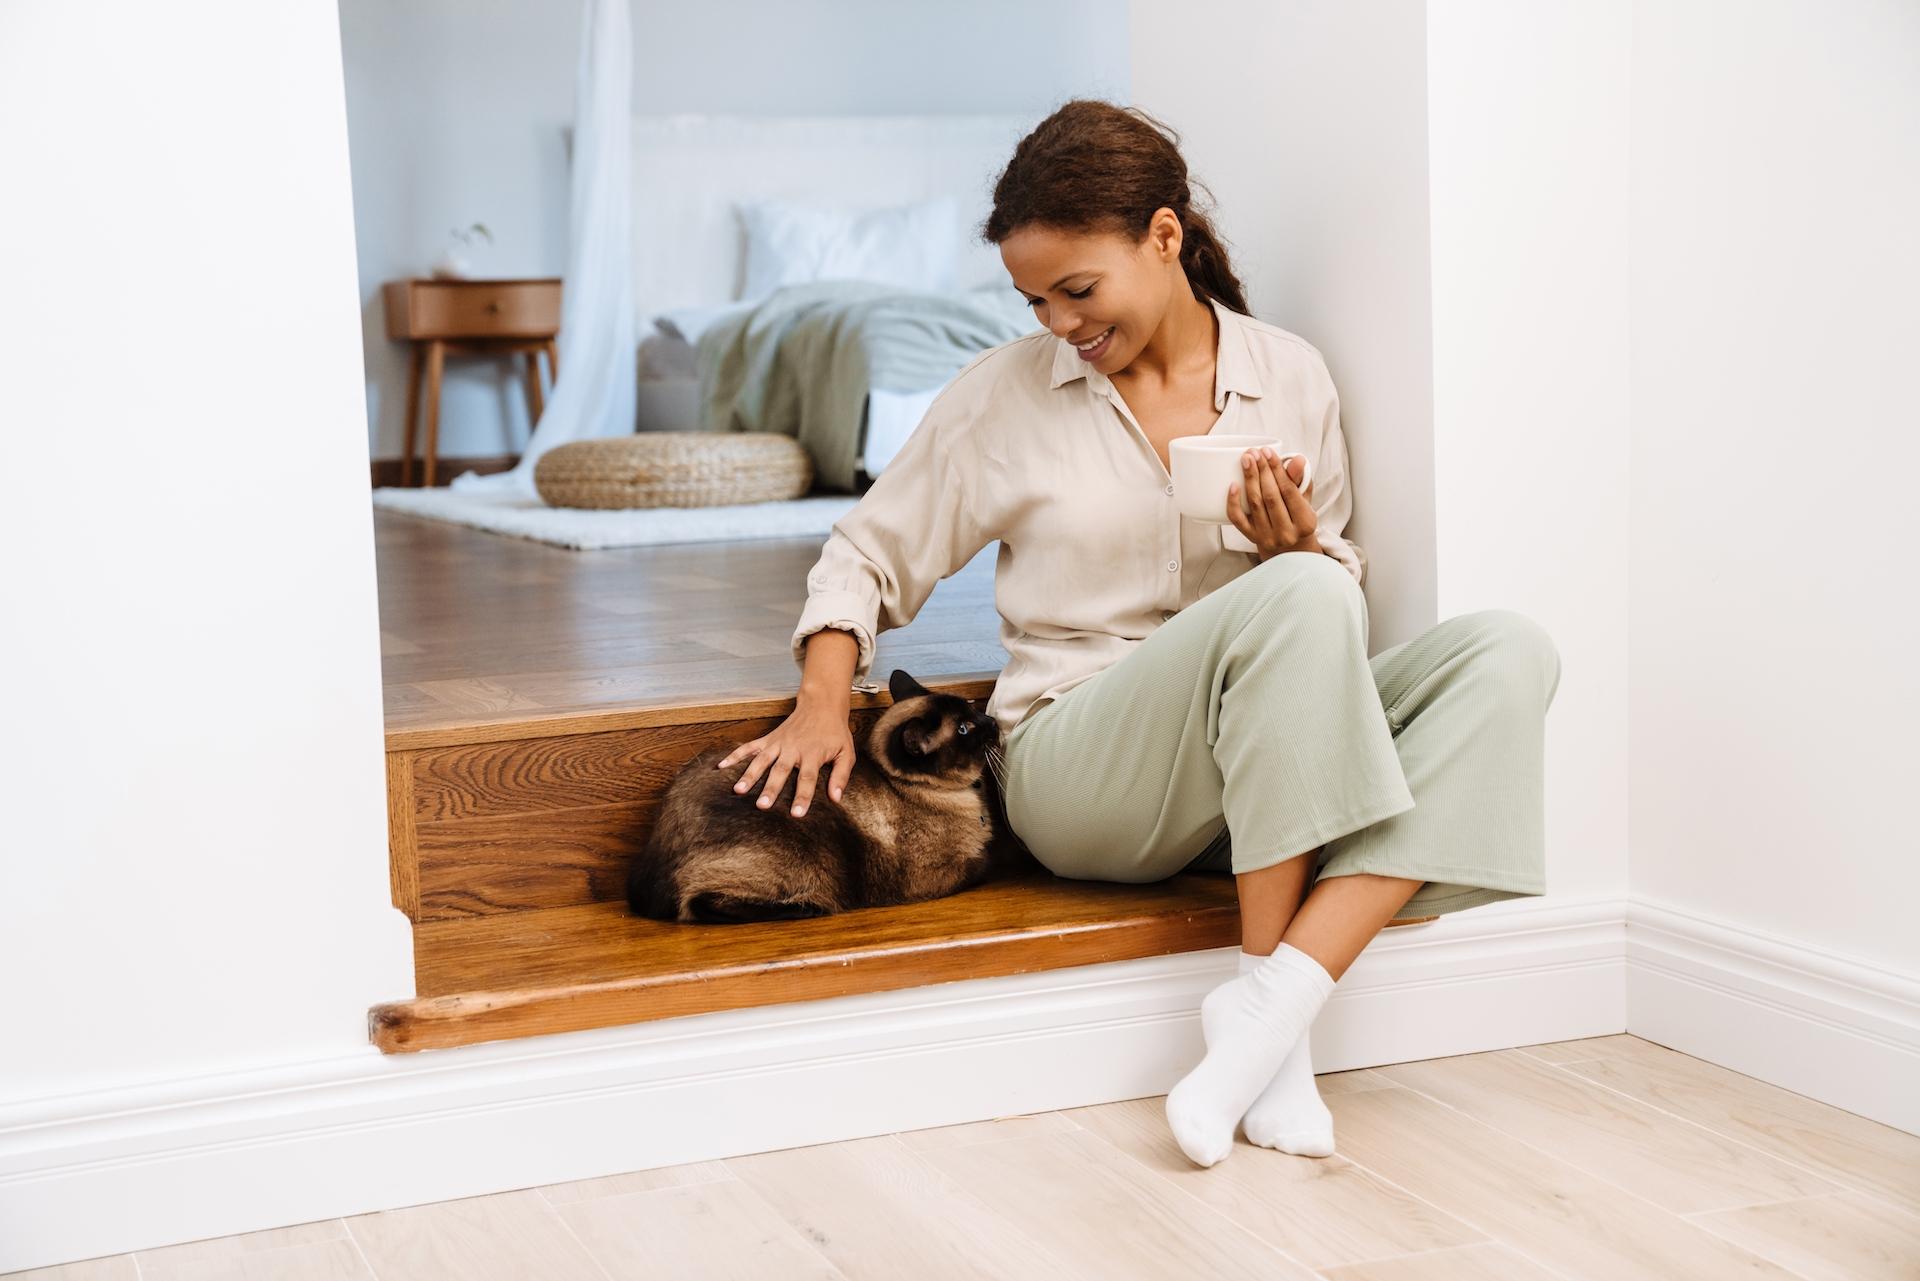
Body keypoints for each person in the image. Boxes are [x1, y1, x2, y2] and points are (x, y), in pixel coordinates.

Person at [715, 99, 1562, 1169]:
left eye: (1078, 291)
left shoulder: (1290, 375)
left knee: (1508, 653)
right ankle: (1280, 1040)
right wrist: (822, 700)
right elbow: (866, 555)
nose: (1059, 324)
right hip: (1083, 771)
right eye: (1035, 301)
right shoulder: (1007, 398)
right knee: (1303, 596)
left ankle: (1270, 1009)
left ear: (1165, 238)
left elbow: (1329, 591)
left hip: (1247, 780)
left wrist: (1295, 550)